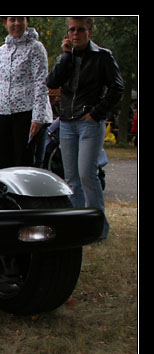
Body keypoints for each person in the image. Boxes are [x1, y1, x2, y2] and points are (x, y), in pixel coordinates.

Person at [47, 17, 124, 242]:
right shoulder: (68, 57)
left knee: (87, 174)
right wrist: (65, 56)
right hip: (67, 123)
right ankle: (77, 227)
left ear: (90, 31)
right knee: (71, 178)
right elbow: (51, 82)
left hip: (89, 122)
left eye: (80, 30)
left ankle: (98, 229)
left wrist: (96, 113)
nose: (75, 34)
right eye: (72, 30)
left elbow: (117, 88)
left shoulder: (102, 56)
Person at [0, 17, 52, 169]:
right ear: (5, 23)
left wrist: (38, 117)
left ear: (27, 21)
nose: (16, 24)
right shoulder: (0, 52)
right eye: (12, 20)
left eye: (21, 19)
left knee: (23, 163)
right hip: (4, 115)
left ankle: (23, 193)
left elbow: (41, 84)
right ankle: (4, 193)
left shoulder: (36, 48)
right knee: (2, 162)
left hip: (26, 114)